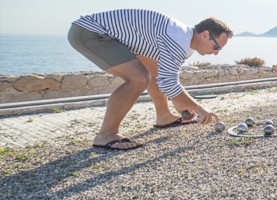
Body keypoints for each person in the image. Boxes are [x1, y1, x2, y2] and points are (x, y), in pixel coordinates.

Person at [68, 9, 233, 150]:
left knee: (152, 68)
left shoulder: (182, 37)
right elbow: (168, 82)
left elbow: (164, 75)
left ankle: (164, 116)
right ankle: (106, 134)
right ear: (205, 35)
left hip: (103, 33)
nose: (216, 52)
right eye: (216, 46)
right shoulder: (177, 40)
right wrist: (200, 109)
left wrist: (180, 102)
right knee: (139, 78)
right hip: (91, 33)